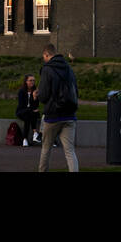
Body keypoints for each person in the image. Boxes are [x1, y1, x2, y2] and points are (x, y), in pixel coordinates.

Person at [35, 43, 78, 172]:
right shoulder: (68, 68)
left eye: (44, 57)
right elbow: (75, 89)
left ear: (46, 55)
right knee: (70, 151)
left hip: (53, 115)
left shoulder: (47, 69)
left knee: (46, 148)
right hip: (70, 114)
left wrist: (37, 94)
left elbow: (43, 96)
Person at [16, 74, 40, 147]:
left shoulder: (36, 90)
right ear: (26, 81)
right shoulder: (21, 91)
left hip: (31, 113)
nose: (32, 82)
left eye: (33, 80)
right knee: (29, 115)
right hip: (21, 111)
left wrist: (34, 97)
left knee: (28, 117)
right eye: (30, 80)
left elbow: (36, 105)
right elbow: (22, 106)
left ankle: (25, 139)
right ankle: (35, 133)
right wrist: (31, 110)